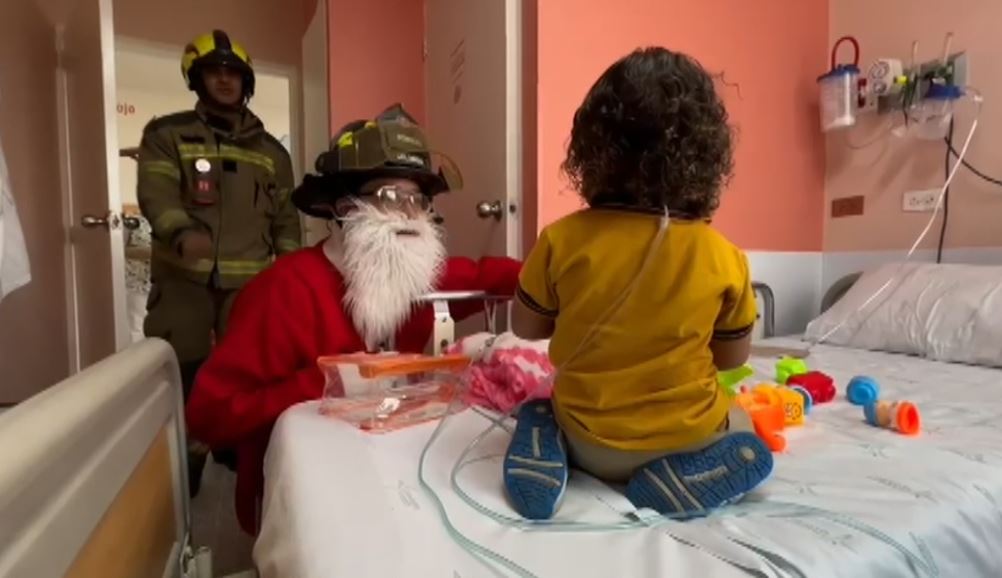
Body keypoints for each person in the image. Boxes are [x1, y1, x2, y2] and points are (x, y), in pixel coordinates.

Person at [185, 104, 522, 534]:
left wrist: (563, 275)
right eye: (389, 198)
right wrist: (324, 384)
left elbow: (484, 276)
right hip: (305, 485)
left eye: (418, 201)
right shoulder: (283, 292)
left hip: (393, 464)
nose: (408, 215)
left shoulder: (416, 275)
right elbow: (207, 414)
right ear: (344, 208)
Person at [505, 47, 773, 521]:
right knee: (742, 425)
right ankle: (686, 476)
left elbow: (526, 328)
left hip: (589, 441)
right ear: (706, 157)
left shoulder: (562, 240)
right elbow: (731, 359)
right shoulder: (724, 257)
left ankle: (548, 437)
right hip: (687, 438)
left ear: (590, 150)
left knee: (547, 404)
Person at [136, 30, 301, 494]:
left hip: (250, 283)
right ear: (198, 78)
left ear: (245, 81)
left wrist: (290, 270)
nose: (225, 80)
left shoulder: (272, 153)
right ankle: (179, 458)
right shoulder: (167, 135)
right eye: (215, 71)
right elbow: (156, 192)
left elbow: (285, 218)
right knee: (179, 365)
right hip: (183, 276)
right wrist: (180, 231)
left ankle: (234, 446)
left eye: (233, 72)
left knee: (244, 368)